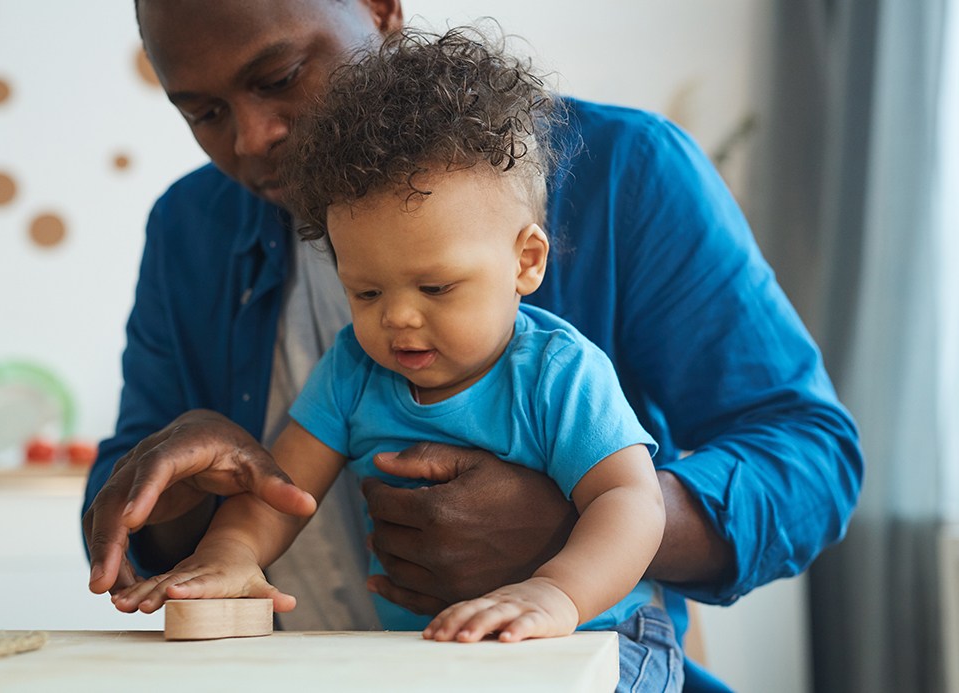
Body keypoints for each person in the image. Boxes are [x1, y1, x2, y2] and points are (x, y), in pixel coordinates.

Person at [83, 1, 863, 689]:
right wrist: (182, 511)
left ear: (379, 7)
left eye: (281, 75)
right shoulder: (189, 231)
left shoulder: (630, 176)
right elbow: (160, 511)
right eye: (203, 113)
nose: (252, 140)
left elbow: (811, 456)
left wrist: (572, 534)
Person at [114, 33, 681, 688]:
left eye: (435, 288)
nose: (398, 317)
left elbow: (631, 500)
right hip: (446, 655)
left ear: (526, 261)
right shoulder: (354, 369)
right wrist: (230, 552)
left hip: (601, 637)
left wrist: (555, 591)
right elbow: (280, 490)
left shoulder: (558, 372)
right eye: (367, 291)